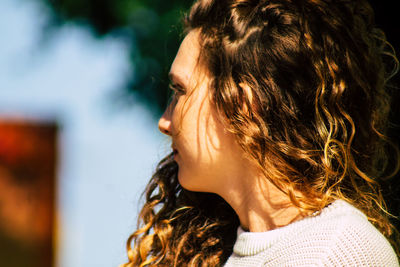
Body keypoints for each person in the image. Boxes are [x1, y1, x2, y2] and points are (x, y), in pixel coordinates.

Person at [122, 0, 400, 266]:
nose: (164, 121)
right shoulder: (223, 246)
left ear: (242, 104)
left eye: (180, 91)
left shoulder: (336, 252)